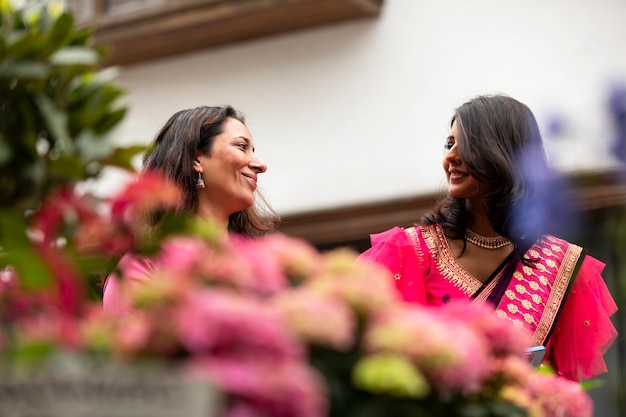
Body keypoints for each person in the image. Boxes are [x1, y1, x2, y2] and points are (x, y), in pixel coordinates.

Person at [358, 94, 618, 382]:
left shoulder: (559, 267)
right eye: (449, 144)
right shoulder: (408, 251)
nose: (450, 157)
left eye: (465, 145)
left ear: (504, 153)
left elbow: (560, 388)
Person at [103, 105, 279, 313]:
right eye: (241, 147)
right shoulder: (144, 263)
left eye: (253, 151)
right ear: (196, 159)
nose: (261, 165)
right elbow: (132, 339)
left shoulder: (260, 262)